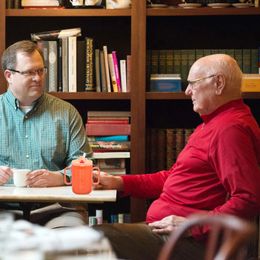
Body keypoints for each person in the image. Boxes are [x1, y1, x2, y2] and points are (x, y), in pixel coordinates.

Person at [93, 54, 260, 260]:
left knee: (94, 238)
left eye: (192, 83)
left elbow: (248, 198)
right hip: (171, 233)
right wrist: (118, 182)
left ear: (218, 83)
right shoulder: (212, 124)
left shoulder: (230, 129)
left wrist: (194, 225)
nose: (187, 91)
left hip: (192, 242)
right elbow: (170, 178)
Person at [0, 40, 92, 227]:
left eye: (41, 71)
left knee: (71, 240)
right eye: (29, 72)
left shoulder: (66, 113)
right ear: (9, 75)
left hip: (57, 209)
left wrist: (59, 177)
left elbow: (85, 166)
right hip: (4, 210)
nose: (38, 78)